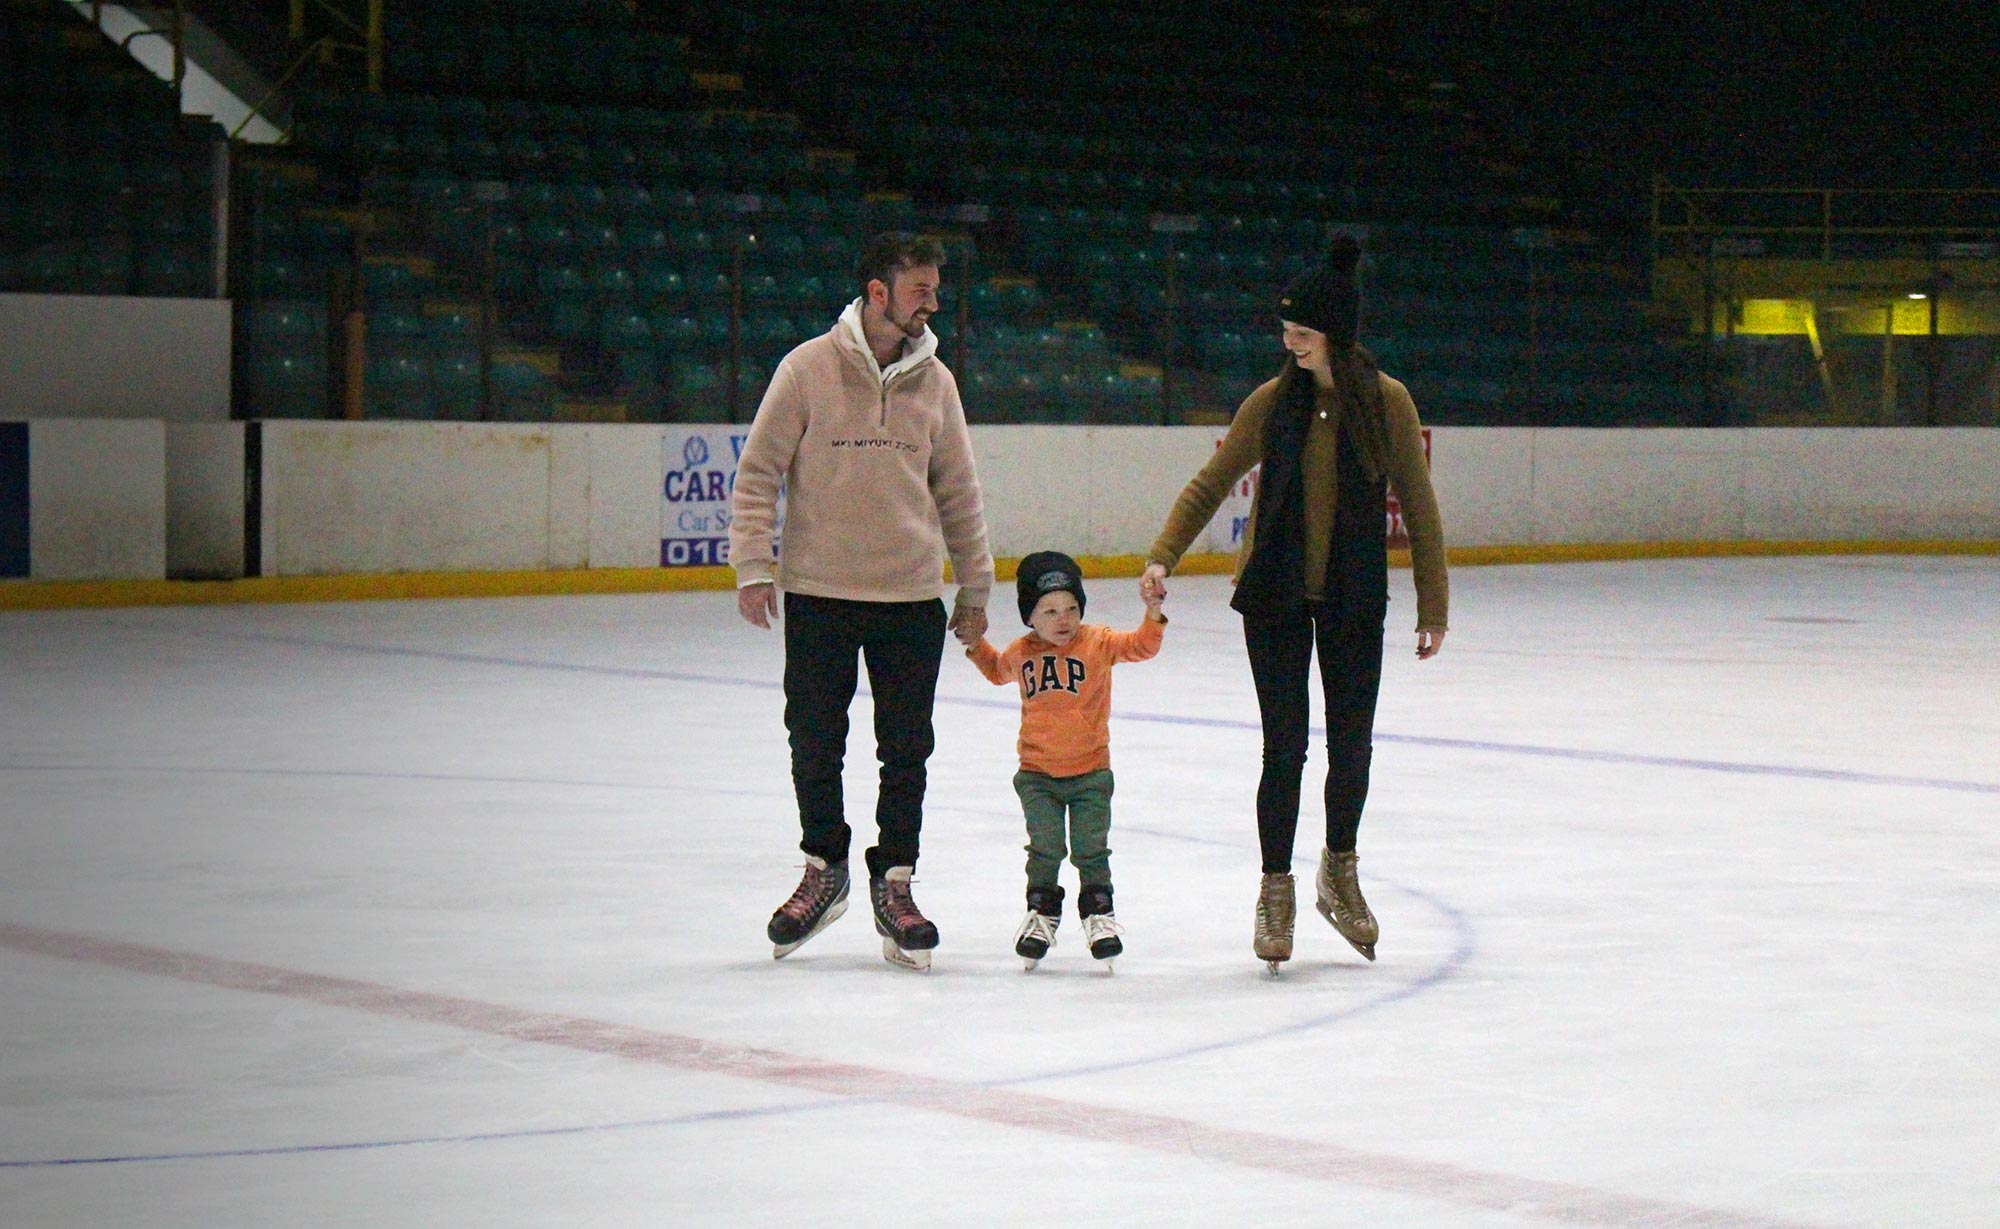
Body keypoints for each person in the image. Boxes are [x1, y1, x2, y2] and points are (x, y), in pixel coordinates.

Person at [1139, 236, 1448, 973]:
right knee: (1285, 747)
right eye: (1287, 332)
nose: (1290, 342)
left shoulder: (1387, 404)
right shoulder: (1275, 400)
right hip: (1276, 593)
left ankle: (1339, 868)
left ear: (1335, 332)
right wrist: (1162, 553)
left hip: (1353, 595)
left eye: (1302, 332)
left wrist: (1433, 603)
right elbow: (1212, 480)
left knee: (1352, 743)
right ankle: (1275, 886)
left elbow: (1421, 504)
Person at [729, 232, 994, 973]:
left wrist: (974, 587)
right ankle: (825, 867)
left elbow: (960, 493)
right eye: (920, 290)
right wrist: (754, 565)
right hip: (818, 591)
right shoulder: (807, 368)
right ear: (878, 293)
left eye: (934, 289)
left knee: (906, 747)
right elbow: (757, 475)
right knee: (814, 738)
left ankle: (896, 882)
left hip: (910, 595)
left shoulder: (935, 381)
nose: (933, 302)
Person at [962, 551, 1166, 969]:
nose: (1063, 619)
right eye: (1050, 611)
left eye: (1071, 608)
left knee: (1092, 850)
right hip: (1037, 775)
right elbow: (997, 670)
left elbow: (1142, 647)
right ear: (1029, 616)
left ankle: (1098, 913)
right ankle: (1042, 911)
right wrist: (974, 643)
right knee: (1045, 848)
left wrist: (1153, 613)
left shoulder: (1099, 642)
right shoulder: (1021, 652)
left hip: (1091, 773)